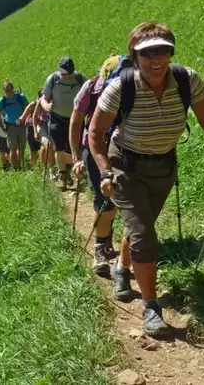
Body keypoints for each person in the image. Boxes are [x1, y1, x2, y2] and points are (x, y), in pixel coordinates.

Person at [88, 22, 204, 337]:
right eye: (148, 53)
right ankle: (151, 307)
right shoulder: (121, 87)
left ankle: (122, 266)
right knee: (144, 233)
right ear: (135, 56)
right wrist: (105, 170)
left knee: (140, 225)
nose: (157, 58)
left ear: (171, 51)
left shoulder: (188, 80)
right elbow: (95, 133)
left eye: (163, 50)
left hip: (163, 167)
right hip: (125, 166)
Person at [70, 56, 121, 277]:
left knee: (118, 199)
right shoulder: (90, 87)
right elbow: (75, 120)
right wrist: (75, 158)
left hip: (120, 149)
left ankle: (107, 238)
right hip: (93, 149)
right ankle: (99, 248)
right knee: (104, 201)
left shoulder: (132, 86)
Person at [41, 57, 85, 189]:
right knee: (58, 147)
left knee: (74, 148)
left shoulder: (80, 79)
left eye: (68, 73)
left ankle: (74, 170)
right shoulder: (52, 79)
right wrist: (46, 106)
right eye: (63, 74)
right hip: (57, 118)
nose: (66, 76)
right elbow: (43, 99)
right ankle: (63, 174)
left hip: (76, 120)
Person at [0, 80, 29, 170]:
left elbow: (28, 108)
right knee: (13, 149)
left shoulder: (21, 97)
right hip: (10, 127)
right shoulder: (2, 101)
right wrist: (2, 128)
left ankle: (18, 165)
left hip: (22, 126)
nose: (9, 92)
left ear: (13, 88)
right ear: (4, 90)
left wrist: (26, 120)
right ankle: (16, 169)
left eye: (10, 89)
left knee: (21, 148)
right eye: (7, 90)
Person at [21, 90, 44, 169]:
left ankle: (42, 167)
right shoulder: (33, 104)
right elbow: (24, 114)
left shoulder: (48, 104)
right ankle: (33, 167)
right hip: (31, 128)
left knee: (43, 148)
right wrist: (20, 119)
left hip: (43, 128)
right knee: (33, 152)